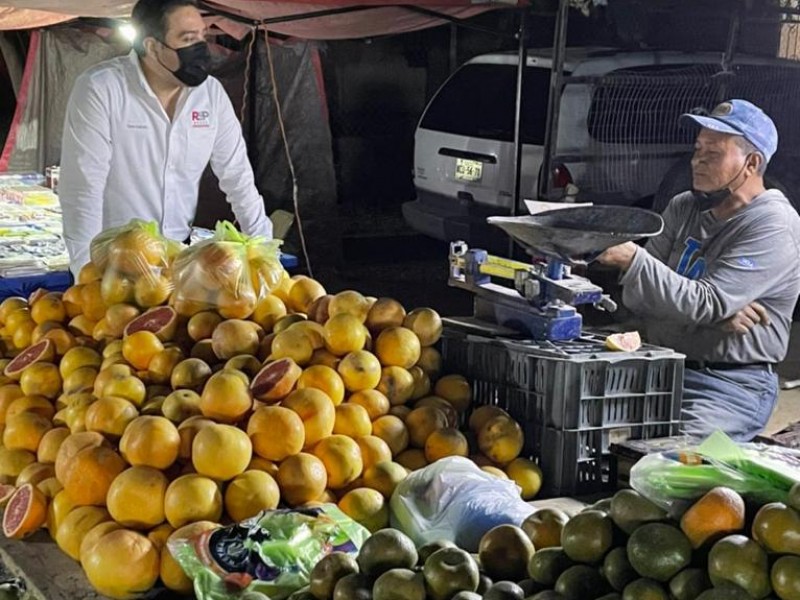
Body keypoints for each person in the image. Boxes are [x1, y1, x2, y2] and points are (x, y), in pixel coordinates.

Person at [598, 99, 800, 442]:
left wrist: (635, 260)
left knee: (667, 467)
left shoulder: (773, 225)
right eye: (698, 148)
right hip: (663, 369)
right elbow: (638, 298)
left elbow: (701, 300)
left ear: (751, 163)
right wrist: (709, 312)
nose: (697, 160)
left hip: (729, 385)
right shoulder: (684, 206)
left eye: (713, 152)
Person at [59, 0, 272, 276]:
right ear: (152, 46)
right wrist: (85, 273)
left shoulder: (211, 95)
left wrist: (266, 253)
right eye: (187, 39)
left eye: (202, 37)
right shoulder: (102, 89)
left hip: (179, 258)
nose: (200, 49)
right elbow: (83, 188)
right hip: (115, 261)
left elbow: (238, 177)